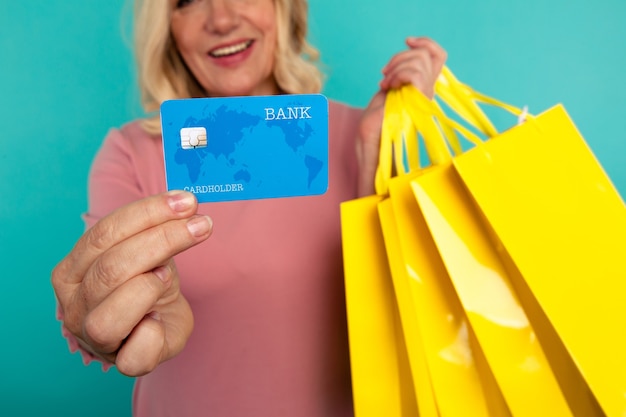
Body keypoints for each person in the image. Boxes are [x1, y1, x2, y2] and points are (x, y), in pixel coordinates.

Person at [51, 0, 446, 415]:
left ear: (284, 8)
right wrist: (99, 319)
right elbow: (99, 313)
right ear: (166, 27)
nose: (221, 19)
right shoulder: (130, 153)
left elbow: (421, 324)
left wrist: (376, 158)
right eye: (187, 1)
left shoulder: (368, 134)